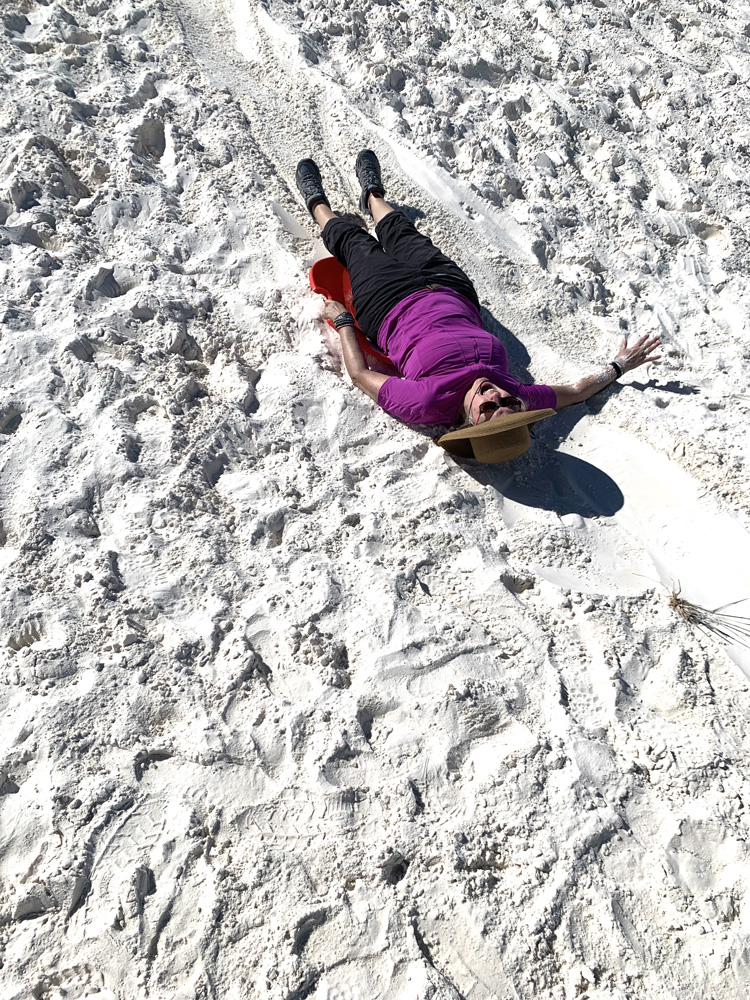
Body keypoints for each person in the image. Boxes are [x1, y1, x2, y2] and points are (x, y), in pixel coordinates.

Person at [296, 152, 661, 460]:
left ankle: (317, 203)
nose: (495, 394)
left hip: (388, 303)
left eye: (488, 407)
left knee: (355, 243)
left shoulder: (428, 400)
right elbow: (577, 391)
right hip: (449, 287)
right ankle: (373, 195)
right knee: (401, 231)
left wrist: (344, 322)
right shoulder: (515, 393)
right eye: (507, 402)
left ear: (467, 421)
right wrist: (618, 366)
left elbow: (361, 377)